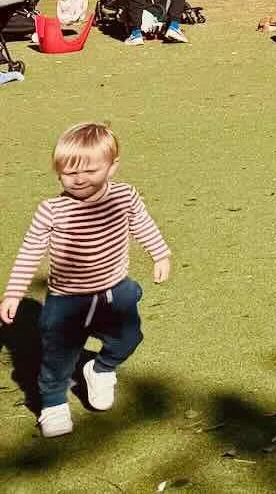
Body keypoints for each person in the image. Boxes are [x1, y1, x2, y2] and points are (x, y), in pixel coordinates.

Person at [3, 122, 173, 438]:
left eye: (90, 170)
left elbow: (142, 223)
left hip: (115, 290)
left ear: (112, 167)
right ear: (58, 173)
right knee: (58, 356)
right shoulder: (51, 211)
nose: (79, 179)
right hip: (68, 301)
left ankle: (101, 369)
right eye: (69, 173)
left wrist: (160, 254)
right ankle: (53, 403)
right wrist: (14, 293)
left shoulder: (124, 196)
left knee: (129, 338)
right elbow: (30, 251)